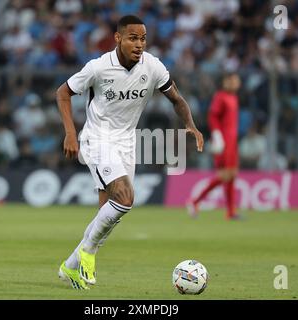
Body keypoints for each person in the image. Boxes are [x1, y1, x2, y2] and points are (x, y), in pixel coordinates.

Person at [56, 15, 204, 290]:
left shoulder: (153, 67)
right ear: (118, 38)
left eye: (143, 38)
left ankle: (70, 266)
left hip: (126, 143)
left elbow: (177, 99)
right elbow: (62, 93)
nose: (139, 44)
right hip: (97, 139)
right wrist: (70, 133)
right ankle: (87, 254)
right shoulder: (98, 68)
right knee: (125, 198)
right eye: (133, 38)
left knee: (108, 214)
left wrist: (190, 125)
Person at [186, 73, 241, 220]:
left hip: (233, 141)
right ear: (226, 81)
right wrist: (217, 136)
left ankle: (230, 212)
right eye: (233, 80)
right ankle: (195, 201)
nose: (236, 82)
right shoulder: (220, 97)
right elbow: (213, 116)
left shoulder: (234, 97)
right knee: (225, 175)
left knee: (232, 175)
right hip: (224, 141)